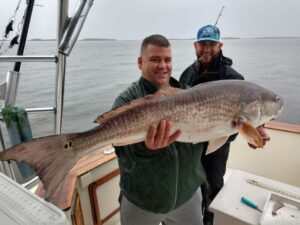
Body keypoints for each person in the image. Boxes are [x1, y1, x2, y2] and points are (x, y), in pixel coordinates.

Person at [112, 34, 206, 225]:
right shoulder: (126, 101)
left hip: (188, 196)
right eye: (155, 59)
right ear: (140, 62)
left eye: (167, 60)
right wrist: (146, 149)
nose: (163, 65)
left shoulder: (191, 93)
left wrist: (246, 129)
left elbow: (213, 130)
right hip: (143, 201)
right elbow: (122, 152)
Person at [179, 25, 244, 225]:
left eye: (212, 44)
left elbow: (244, 117)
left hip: (217, 143)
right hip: (190, 141)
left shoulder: (233, 78)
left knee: (213, 185)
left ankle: (210, 222)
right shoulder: (188, 74)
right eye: (203, 44)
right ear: (195, 46)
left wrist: (254, 130)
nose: (207, 48)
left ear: (220, 45)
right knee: (189, 184)